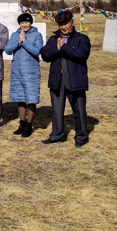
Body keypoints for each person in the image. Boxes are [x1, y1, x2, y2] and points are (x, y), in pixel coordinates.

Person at [39, 10, 91, 147]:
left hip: (75, 79)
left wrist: (64, 48)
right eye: (60, 24)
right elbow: (45, 55)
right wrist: (56, 49)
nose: (63, 27)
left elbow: (82, 54)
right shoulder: (53, 39)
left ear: (71, 23)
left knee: (79, 110)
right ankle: (57, 135)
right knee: (57, 110)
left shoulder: (82, 39)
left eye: (66, 23)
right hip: (57, 80)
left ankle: (81, 137)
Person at [5, 13, 43, 137]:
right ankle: (21, 124)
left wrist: (25, 42)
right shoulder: (14, 35)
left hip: (31, 72)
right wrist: (18, 41)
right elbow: (7, 50)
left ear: (31, 23)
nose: (24, 25)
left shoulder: (37, 35)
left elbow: (37, 51)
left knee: (31, 99)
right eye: (22, 23)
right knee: (20, 98)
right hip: (17, 71)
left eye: (27, 22)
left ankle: (29, 125)